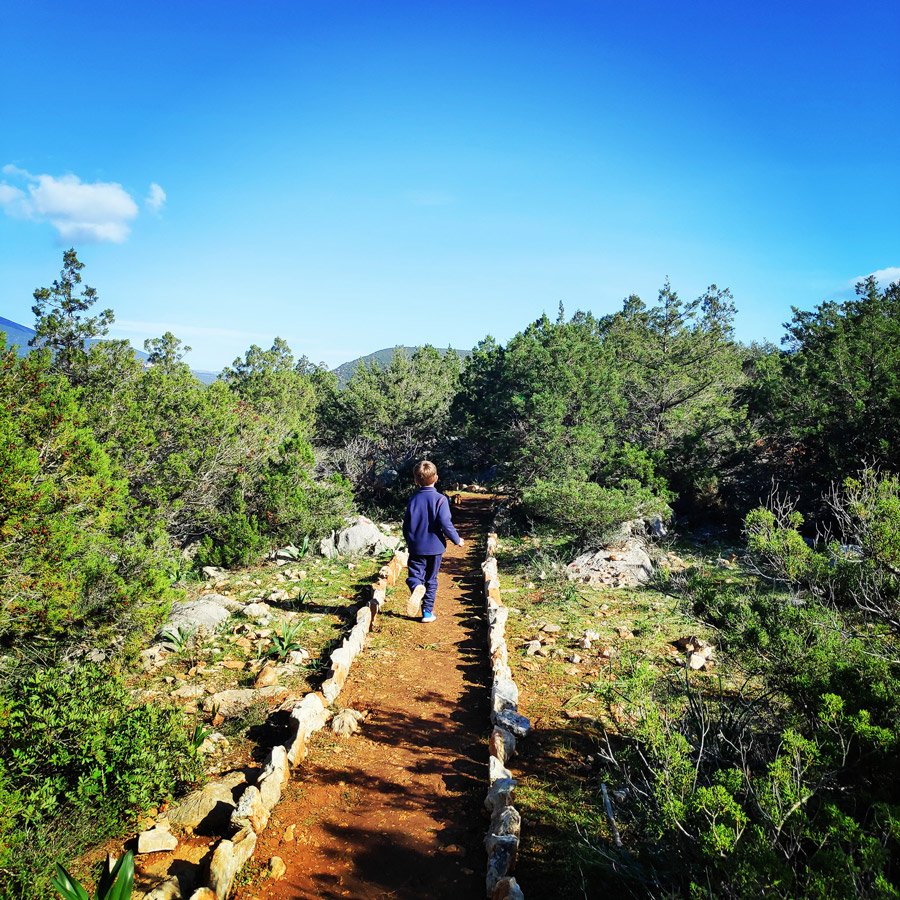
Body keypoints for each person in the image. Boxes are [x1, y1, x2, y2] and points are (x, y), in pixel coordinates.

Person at [402, 460, 464, 622]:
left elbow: (406, 524)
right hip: (435, 547)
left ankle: (416, 587)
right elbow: (445, 523)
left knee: (415, 575)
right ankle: (427, 612)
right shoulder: (441, 500)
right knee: (432, 579)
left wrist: (409, 540)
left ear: (416, 481)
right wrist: (457, 539)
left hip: (416, 546)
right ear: (436, 478)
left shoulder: (413, 499)